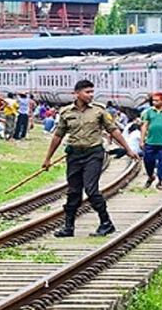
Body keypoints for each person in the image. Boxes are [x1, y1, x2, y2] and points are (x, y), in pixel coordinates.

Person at [41, 79, 140, 238]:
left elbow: (113, 131)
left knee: (91, 189)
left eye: (92, 92)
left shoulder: (99, 111)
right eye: (87, 92)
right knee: (73, 191)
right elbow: (58, 136)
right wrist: (48, 159)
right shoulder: (66, 112)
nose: (91, 95)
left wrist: (127, 149)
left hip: (93, 154)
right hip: (74, 155)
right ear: (77, 93)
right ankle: (68, 227)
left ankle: (106, 223)